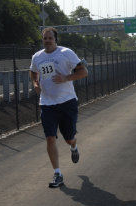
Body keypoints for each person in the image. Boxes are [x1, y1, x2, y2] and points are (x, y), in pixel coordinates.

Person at [30, 27, 88, 188]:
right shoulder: (37, 57)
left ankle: (74, 146)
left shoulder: (66, 53)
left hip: (67, 102)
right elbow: (33, 71)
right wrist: (35, 83)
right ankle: (57, 174)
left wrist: (66, 78)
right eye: (45, 38)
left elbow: (83, 72)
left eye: (50, 38)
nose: (47, 41)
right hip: (47, 104)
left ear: (55, 40)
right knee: (50, 138)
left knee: (69, 138)